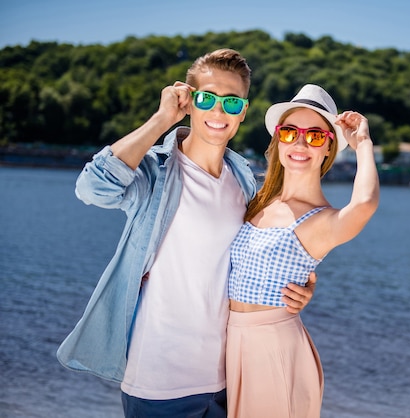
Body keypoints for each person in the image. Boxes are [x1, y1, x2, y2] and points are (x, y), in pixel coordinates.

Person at [56, 49, 316, 418]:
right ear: (189, 101)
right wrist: (161, 119)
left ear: (244, 110)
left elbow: (258, 255)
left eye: (231, 102)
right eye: (206, 98)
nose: (218, 111)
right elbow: (92, 189)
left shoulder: (243, 182)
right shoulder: (156, 174)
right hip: (160, 384)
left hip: (229, 378)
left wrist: (299, 287)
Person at [226, 84, 380, 418]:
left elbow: (365, 203)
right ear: (277, 140)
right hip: (229, 342)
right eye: (289, 132)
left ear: (328, 148)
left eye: (314, 136)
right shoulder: (257, 202)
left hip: (274, 349)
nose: (299, 143)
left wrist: (364, 144)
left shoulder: (322, 220)